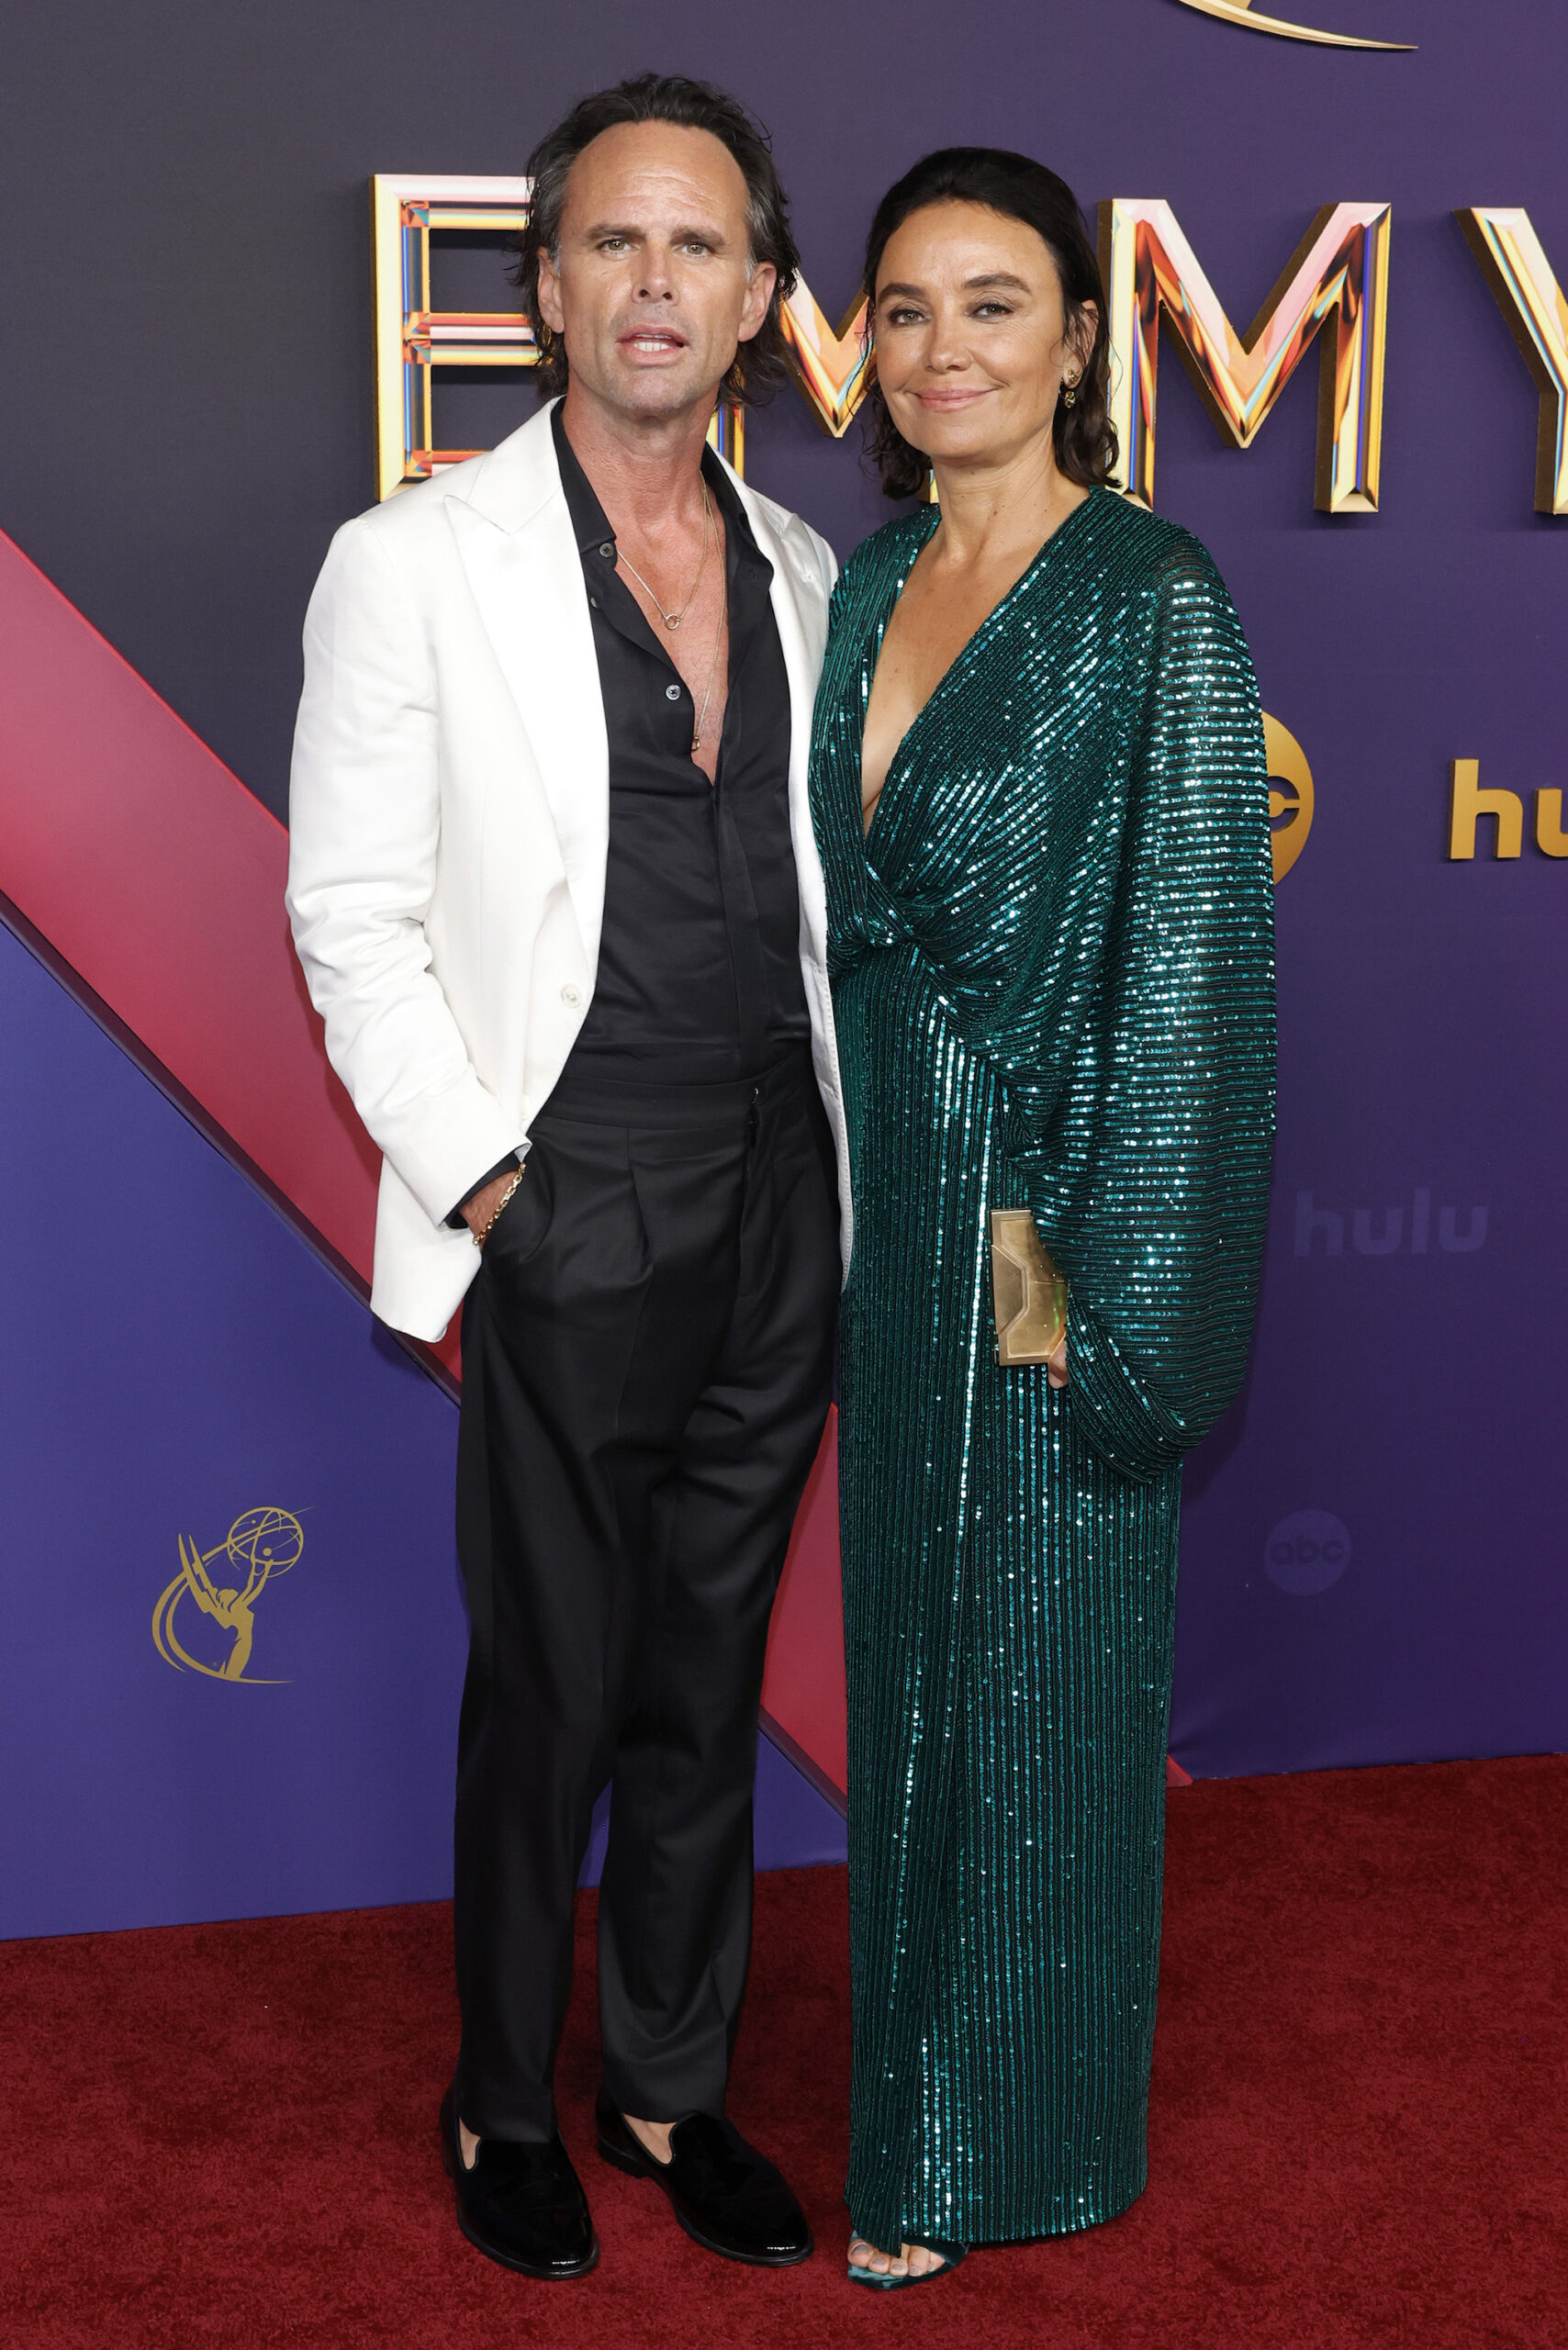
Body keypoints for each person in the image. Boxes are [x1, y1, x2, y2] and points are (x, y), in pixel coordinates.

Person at [287, 74, 848, 2282]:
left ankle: (665, 2079)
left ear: (756, 300)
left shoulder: (805, 564)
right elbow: (350, 917)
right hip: (567, 1189)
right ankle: (500, 2095)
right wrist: (502, 1186)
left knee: (705, 1677)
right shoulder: (413, 560)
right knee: (550, 1680)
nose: (652, 282)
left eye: (696, 247)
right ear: (542, 286)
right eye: (611, 242)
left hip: (780, 1194)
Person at [808, 148, 1276, 2287]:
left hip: (1049, 1210)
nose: (940, 350)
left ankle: (994, 2140)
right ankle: (916, 2093)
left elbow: (1186, 959)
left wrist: (1117, 1278)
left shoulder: (1150, 593)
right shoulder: (857, 583)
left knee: (1032, 1671)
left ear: (1075, 340)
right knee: (907, 1650)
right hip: (882, 1201)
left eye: (991, 304)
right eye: (902, 309)